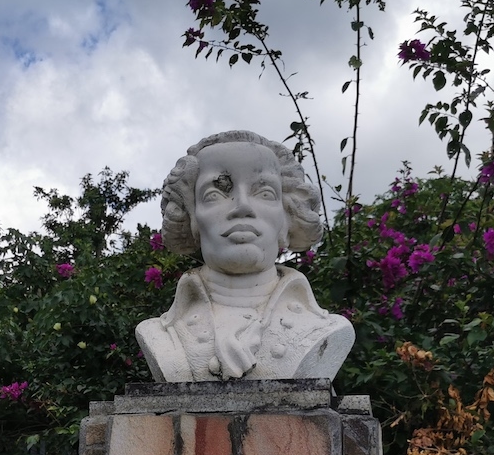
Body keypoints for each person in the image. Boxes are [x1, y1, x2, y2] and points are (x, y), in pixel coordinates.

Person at [136, 130, 354, 382]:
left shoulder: (324, 330)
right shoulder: (162, 336)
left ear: (286, 219)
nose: (242, 206)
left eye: (265, 193)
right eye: (214, 195)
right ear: (192, 218)